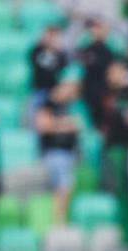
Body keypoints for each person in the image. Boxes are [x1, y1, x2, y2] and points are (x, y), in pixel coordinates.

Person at [35, 82, 81, 223]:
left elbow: (78, 125)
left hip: (68, 153)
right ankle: (59, 220)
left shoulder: (68, 107)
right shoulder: (48, 105)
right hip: (55, 153)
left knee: (66, 186)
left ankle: (61, 218)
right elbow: (43, 125)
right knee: (62, 186)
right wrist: (66, 125)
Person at [30, 26, 68, 104]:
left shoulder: (60, 54)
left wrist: (55, 50)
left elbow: (62, 68)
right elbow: (39, 66)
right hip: (39, 88)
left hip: (54, 89)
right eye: (49, 35)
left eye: (53, 36)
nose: (51, 39)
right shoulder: (37, 51)